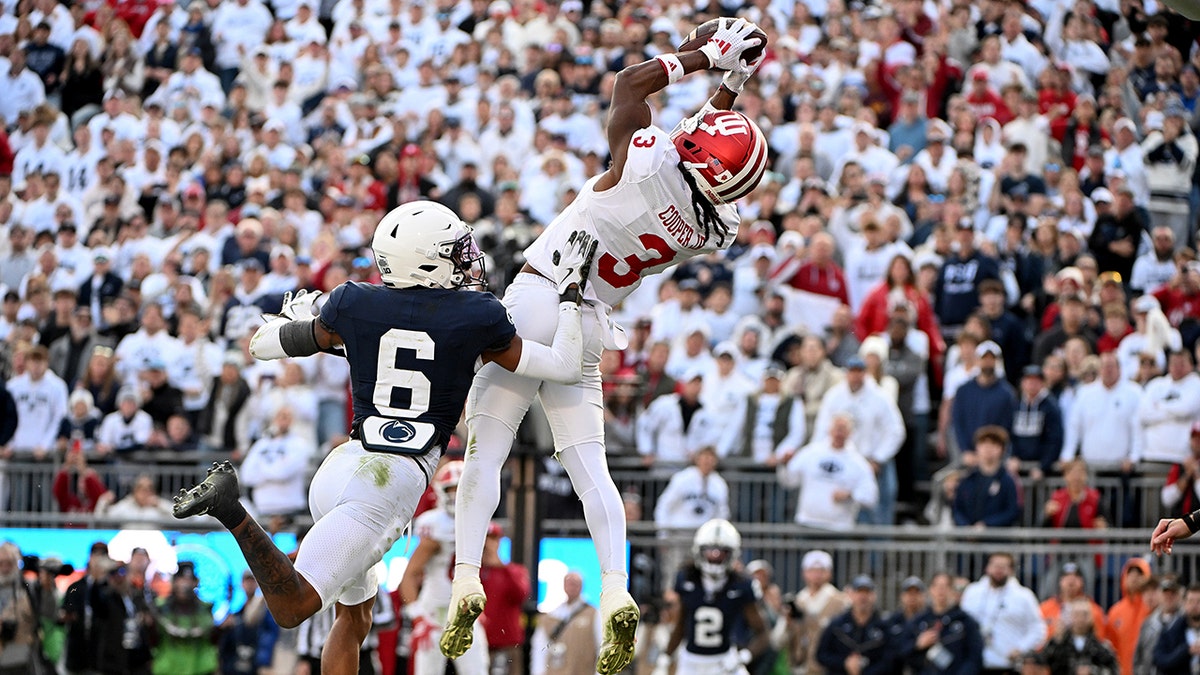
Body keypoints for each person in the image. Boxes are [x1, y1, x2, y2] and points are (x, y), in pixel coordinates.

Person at [447, 19, 771, 675]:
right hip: (592, 323)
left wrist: (708, 56)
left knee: (487, 442)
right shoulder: (713, 223)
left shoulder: (648, 155)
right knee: (591, 469)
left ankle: (463, 575)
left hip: (542, 294)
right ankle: (616, 585)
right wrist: (735, 83)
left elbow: (630, 85)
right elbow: (704, 155)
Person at [171, 200, 597, 675]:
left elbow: (262, 345)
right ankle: (231, 509)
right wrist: (570, 293)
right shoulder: (476, 314)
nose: (466, 257)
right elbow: (563, 365)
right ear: (428, 260)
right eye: (455, 250)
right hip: (390, 480)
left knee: (354, 616)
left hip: (341, 465)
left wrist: (323, 322)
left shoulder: (355, 302)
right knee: (294, 608)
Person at [399, 461, 489, 675]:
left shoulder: (479, 520)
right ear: (440, 491)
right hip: (434, 612)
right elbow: (410, 575)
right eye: (451, 489)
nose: (456, 494)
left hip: (466, 610)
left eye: (460, 488)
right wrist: (418, 616)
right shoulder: (433, 523)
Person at [652, 519, 769, 675]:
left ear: (732, 553)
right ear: (698, 550)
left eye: (721, 552)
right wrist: (665, 658)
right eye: (710, 550)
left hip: (725, 660)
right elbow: (680, 624)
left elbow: (763, 632)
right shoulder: (687, 578)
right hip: (691, 662)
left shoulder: (742, 584)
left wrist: (743, 656)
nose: (715, 556)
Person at [959, 552, 1044, 673]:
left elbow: (1038, 629)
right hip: (976, 664)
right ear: (987, 568)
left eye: (1003, 567)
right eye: (995, 566)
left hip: (1008, 665)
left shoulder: (1024, 596)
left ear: (1011, 570)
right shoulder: (972, 592)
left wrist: (1020, 649)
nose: (998, 570)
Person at [815, 575, 894, 675]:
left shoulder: (884, 626)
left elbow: (890, 659)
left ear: (874, 595)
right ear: (850, 594)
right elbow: (821, 655)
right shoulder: (836, 624)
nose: (863, 597)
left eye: (867, 592)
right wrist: (845, 663)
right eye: (859, 592)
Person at [906, 572, 984, 674]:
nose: (941, 591)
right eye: (937, 586)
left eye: (945, 586)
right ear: (931, 590)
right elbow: (902, 653)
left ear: (952, 590)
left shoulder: (966, 621)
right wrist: (917, 645)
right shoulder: (919, 621)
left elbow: (975, 658)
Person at [529, 571, 600, 675]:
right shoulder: (551, 615)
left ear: (581, 586)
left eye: (575, 583)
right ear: (564, 586)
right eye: (569, 583)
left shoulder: (594, 614)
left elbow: (602, 646)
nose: (572, 587)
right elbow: (539, 648)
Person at [1040, 599, 1119, 675]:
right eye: (1076, 614)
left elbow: (1113, 670)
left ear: (1091, 617)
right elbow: (1043, 663)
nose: (1080, 619)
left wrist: (1092, 671)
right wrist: (1056, 641)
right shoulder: (1060, 644)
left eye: (1084, 614)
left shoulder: (1101, 646)